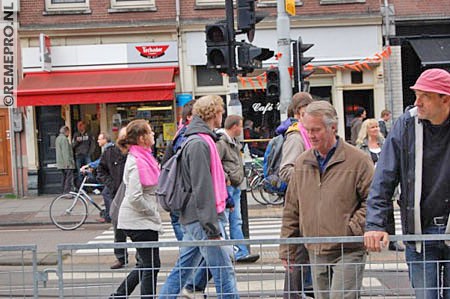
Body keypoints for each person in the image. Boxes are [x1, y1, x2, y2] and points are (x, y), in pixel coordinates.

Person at [364, 68, 450, 299]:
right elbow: (384, 177)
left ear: (445, 99)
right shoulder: (407, 125)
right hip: (420, 231)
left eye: (425, 96)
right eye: (416, 95)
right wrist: (375, 224)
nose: (417, 102)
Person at [280, 101, 374, 299]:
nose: (311, 135)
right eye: (308, 130)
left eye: (316, 130)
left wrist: (351, 228)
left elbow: (373, 201)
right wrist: (287, 247)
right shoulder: (302, 161)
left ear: (333, 127)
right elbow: (292, 208)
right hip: (316, 247)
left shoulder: (358, 160)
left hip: (348, 247)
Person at [159, 95, 239, 299]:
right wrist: (212, 228)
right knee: (224, 272)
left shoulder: (201, 140)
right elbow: (202, 187)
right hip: (202, 219)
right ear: (214, 114)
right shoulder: (199, 144)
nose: (223, 115)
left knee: (183, 269)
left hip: (196, 218)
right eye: (221, 111)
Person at [110, 119, 162, 299]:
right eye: (150, 132)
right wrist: (152, 212)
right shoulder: (136, 161)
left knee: (147, 264)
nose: (153, 134)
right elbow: (134, 196)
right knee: (151, 265)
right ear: (141, 138)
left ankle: (119, 295)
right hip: (138, 221)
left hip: (139, 220)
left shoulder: (143, 157)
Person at [277, 92, 314, 299]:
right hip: (300, 206)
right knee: (298, 259)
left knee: (304, 259)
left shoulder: (307, 135)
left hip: (309, 206)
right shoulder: (296, 137)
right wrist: (312, 180)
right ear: (299, 113)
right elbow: (286, 171)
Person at [356, 119, 404, 252]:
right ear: (366, 130)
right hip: (369, 182)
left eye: (377, 127)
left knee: (389, 214)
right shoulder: (361, 146)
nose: (375, 129)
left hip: (386, 182)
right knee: (370, 210)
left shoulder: (385, 143)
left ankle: (393, 241)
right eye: (372, 127)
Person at [216, 115, 260, 263]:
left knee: (236, 220)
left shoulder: (233, 142)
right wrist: (226, 178)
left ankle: (239, 251)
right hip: (228, 186)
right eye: (240, 126)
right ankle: (230, 251)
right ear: (234, 126)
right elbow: (215, 163)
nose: (242, 129)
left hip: (234, 185)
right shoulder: (222, 143)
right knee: (228, 220)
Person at [161, 99, 197, 242]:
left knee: (181, 224)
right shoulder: (187, 136)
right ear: (189, 117)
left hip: (178, 188)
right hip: (183, 190)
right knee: (186, 229)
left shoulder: (180, 134)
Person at [97, 127, 129, 270]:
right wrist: (111, 185)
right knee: (118, 227)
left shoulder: (135, 153)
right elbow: (101, 170)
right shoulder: (110, 153)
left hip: (132, 194)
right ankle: (121, 257)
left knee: (137, 227)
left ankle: (142, 256)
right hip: (117, 194)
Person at [81, 132, 114, 223]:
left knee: (106, 193)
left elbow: (101, 161)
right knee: (105, 191)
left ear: (105, 140)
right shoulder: (108, 148)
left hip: (111, 177)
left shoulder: (109, 149)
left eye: (100, 139)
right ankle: (108, 214)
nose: (98, 140)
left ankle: (110, 216)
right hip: (110, 176)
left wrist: (88, 165)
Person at [72, 120, 96, 186]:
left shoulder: (89, 134)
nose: (79, 127)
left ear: (84, 126)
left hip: (87, 155)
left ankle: (92, 187)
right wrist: (77, 142)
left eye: (80, 125)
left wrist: (90, 152)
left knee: (89, 171)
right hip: (78, 155)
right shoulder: (76, 135)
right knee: (80, 172)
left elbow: (92, 144)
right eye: (78, 126)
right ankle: (81, 188)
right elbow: (72, 146)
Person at [55, 126, 75, 193]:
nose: (69, 133)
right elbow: (65, 152)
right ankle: (67, 192)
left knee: (63, 177)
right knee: (68, 178)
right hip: (66, 163)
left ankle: (63, 191)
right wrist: (68, 163)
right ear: (66, 131)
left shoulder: (58, 138)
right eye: (68, 132)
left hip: (60, 163)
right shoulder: (64, 139)